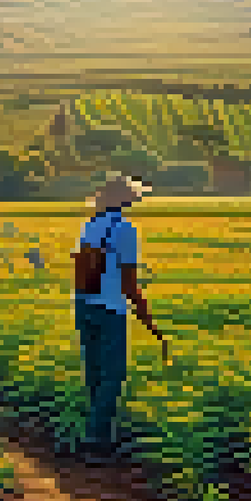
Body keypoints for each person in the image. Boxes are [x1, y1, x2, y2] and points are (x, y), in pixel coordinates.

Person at [76, 174, 163, 463]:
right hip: (110, 308)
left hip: (84, 303)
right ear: (127, 200)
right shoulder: (125, 230)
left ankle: (95, 431)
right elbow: (128, 282)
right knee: (112, 376)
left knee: (94, 372)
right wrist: (146, 316)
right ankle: (96, 441)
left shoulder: (90, 225)